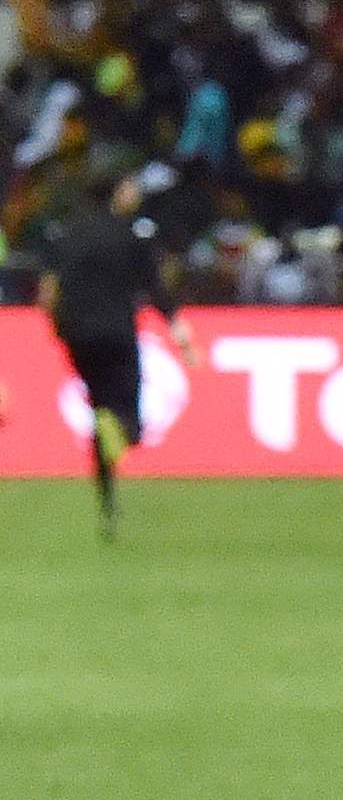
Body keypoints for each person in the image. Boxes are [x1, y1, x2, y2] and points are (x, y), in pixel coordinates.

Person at [34, 169, 200, 540]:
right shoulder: (131, 235)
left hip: (77, 335)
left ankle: (108, 506)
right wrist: (177, 329)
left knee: (99, 410)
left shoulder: (65, 234)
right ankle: (118, 429)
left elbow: (47, 292)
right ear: (116, 194)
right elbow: (154, 287)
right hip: (117, 334)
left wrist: (58, 329)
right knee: (130, 424)